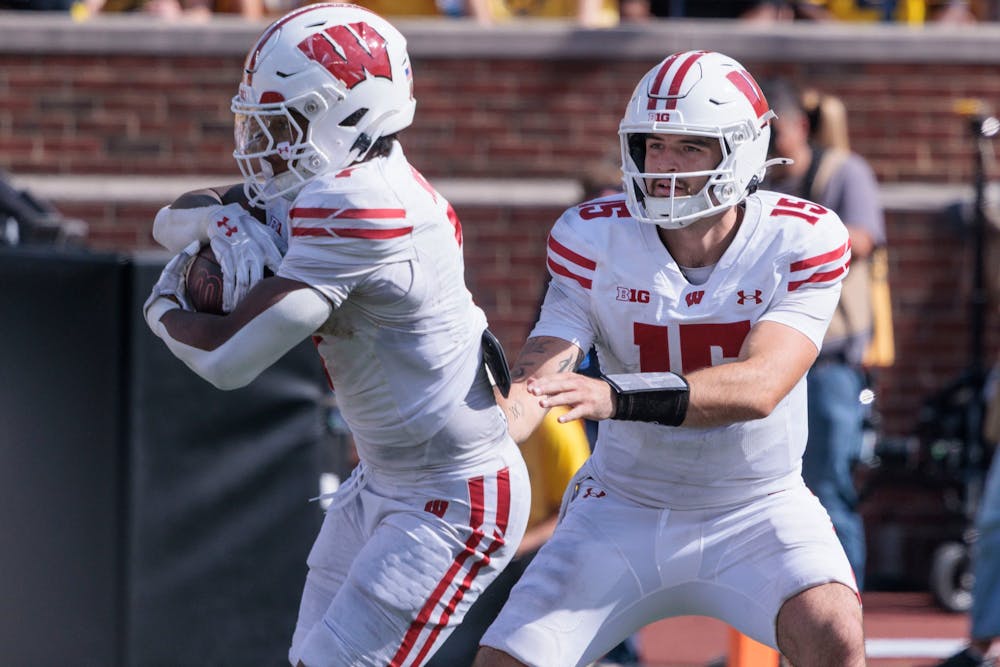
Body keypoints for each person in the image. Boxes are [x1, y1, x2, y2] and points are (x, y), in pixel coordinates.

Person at [141, 4, 530, 666]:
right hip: (382, 474)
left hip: (452, 494)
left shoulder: (365, 204)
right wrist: (221, 227)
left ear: (351, 114)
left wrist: (162, 303)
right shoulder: (329, 179)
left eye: (286, 120)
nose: (263, 140)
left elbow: (230, 361)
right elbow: (170, 219)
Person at [471, 50, 865, 667]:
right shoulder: (592, 237)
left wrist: (614, 394)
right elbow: (541, 376)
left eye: (690, 147)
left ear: (741, 152)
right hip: (622, 505)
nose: (664, 167)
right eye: (654, 146)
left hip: (758, 507)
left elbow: (761, 386)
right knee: (505, 661)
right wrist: (483, 425)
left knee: (834, 633)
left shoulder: (801, 238)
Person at [761, 77, 886, 590]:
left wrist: (785, 238)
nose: (768, 147)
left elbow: (862, 239)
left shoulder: (844, 172)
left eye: (776, 134)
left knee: (829, 492)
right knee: (758, 502)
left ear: (802, 127)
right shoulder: (750, 177)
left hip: (829, 365)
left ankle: (841, 623)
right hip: (766, 364)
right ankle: (769, 640)